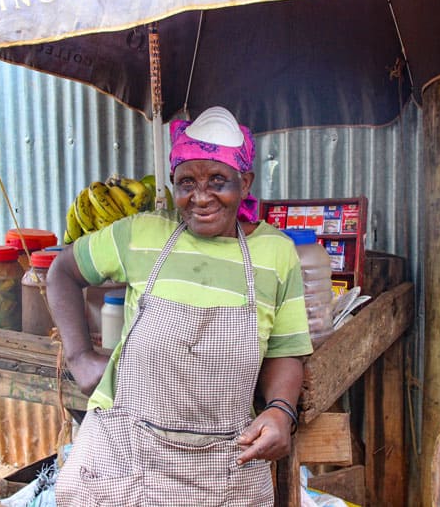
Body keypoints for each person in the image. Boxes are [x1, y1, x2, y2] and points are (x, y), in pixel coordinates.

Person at [48, 106, 313, 506]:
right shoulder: (142, 234)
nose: (200, 196)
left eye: (218, 181)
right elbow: (62, 272)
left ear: (245, 182)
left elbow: (286, 348)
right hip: (127, 448)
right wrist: (81, 356)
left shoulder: (276, 254)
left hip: (224, 461)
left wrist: (280, 410)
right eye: (186, 182)